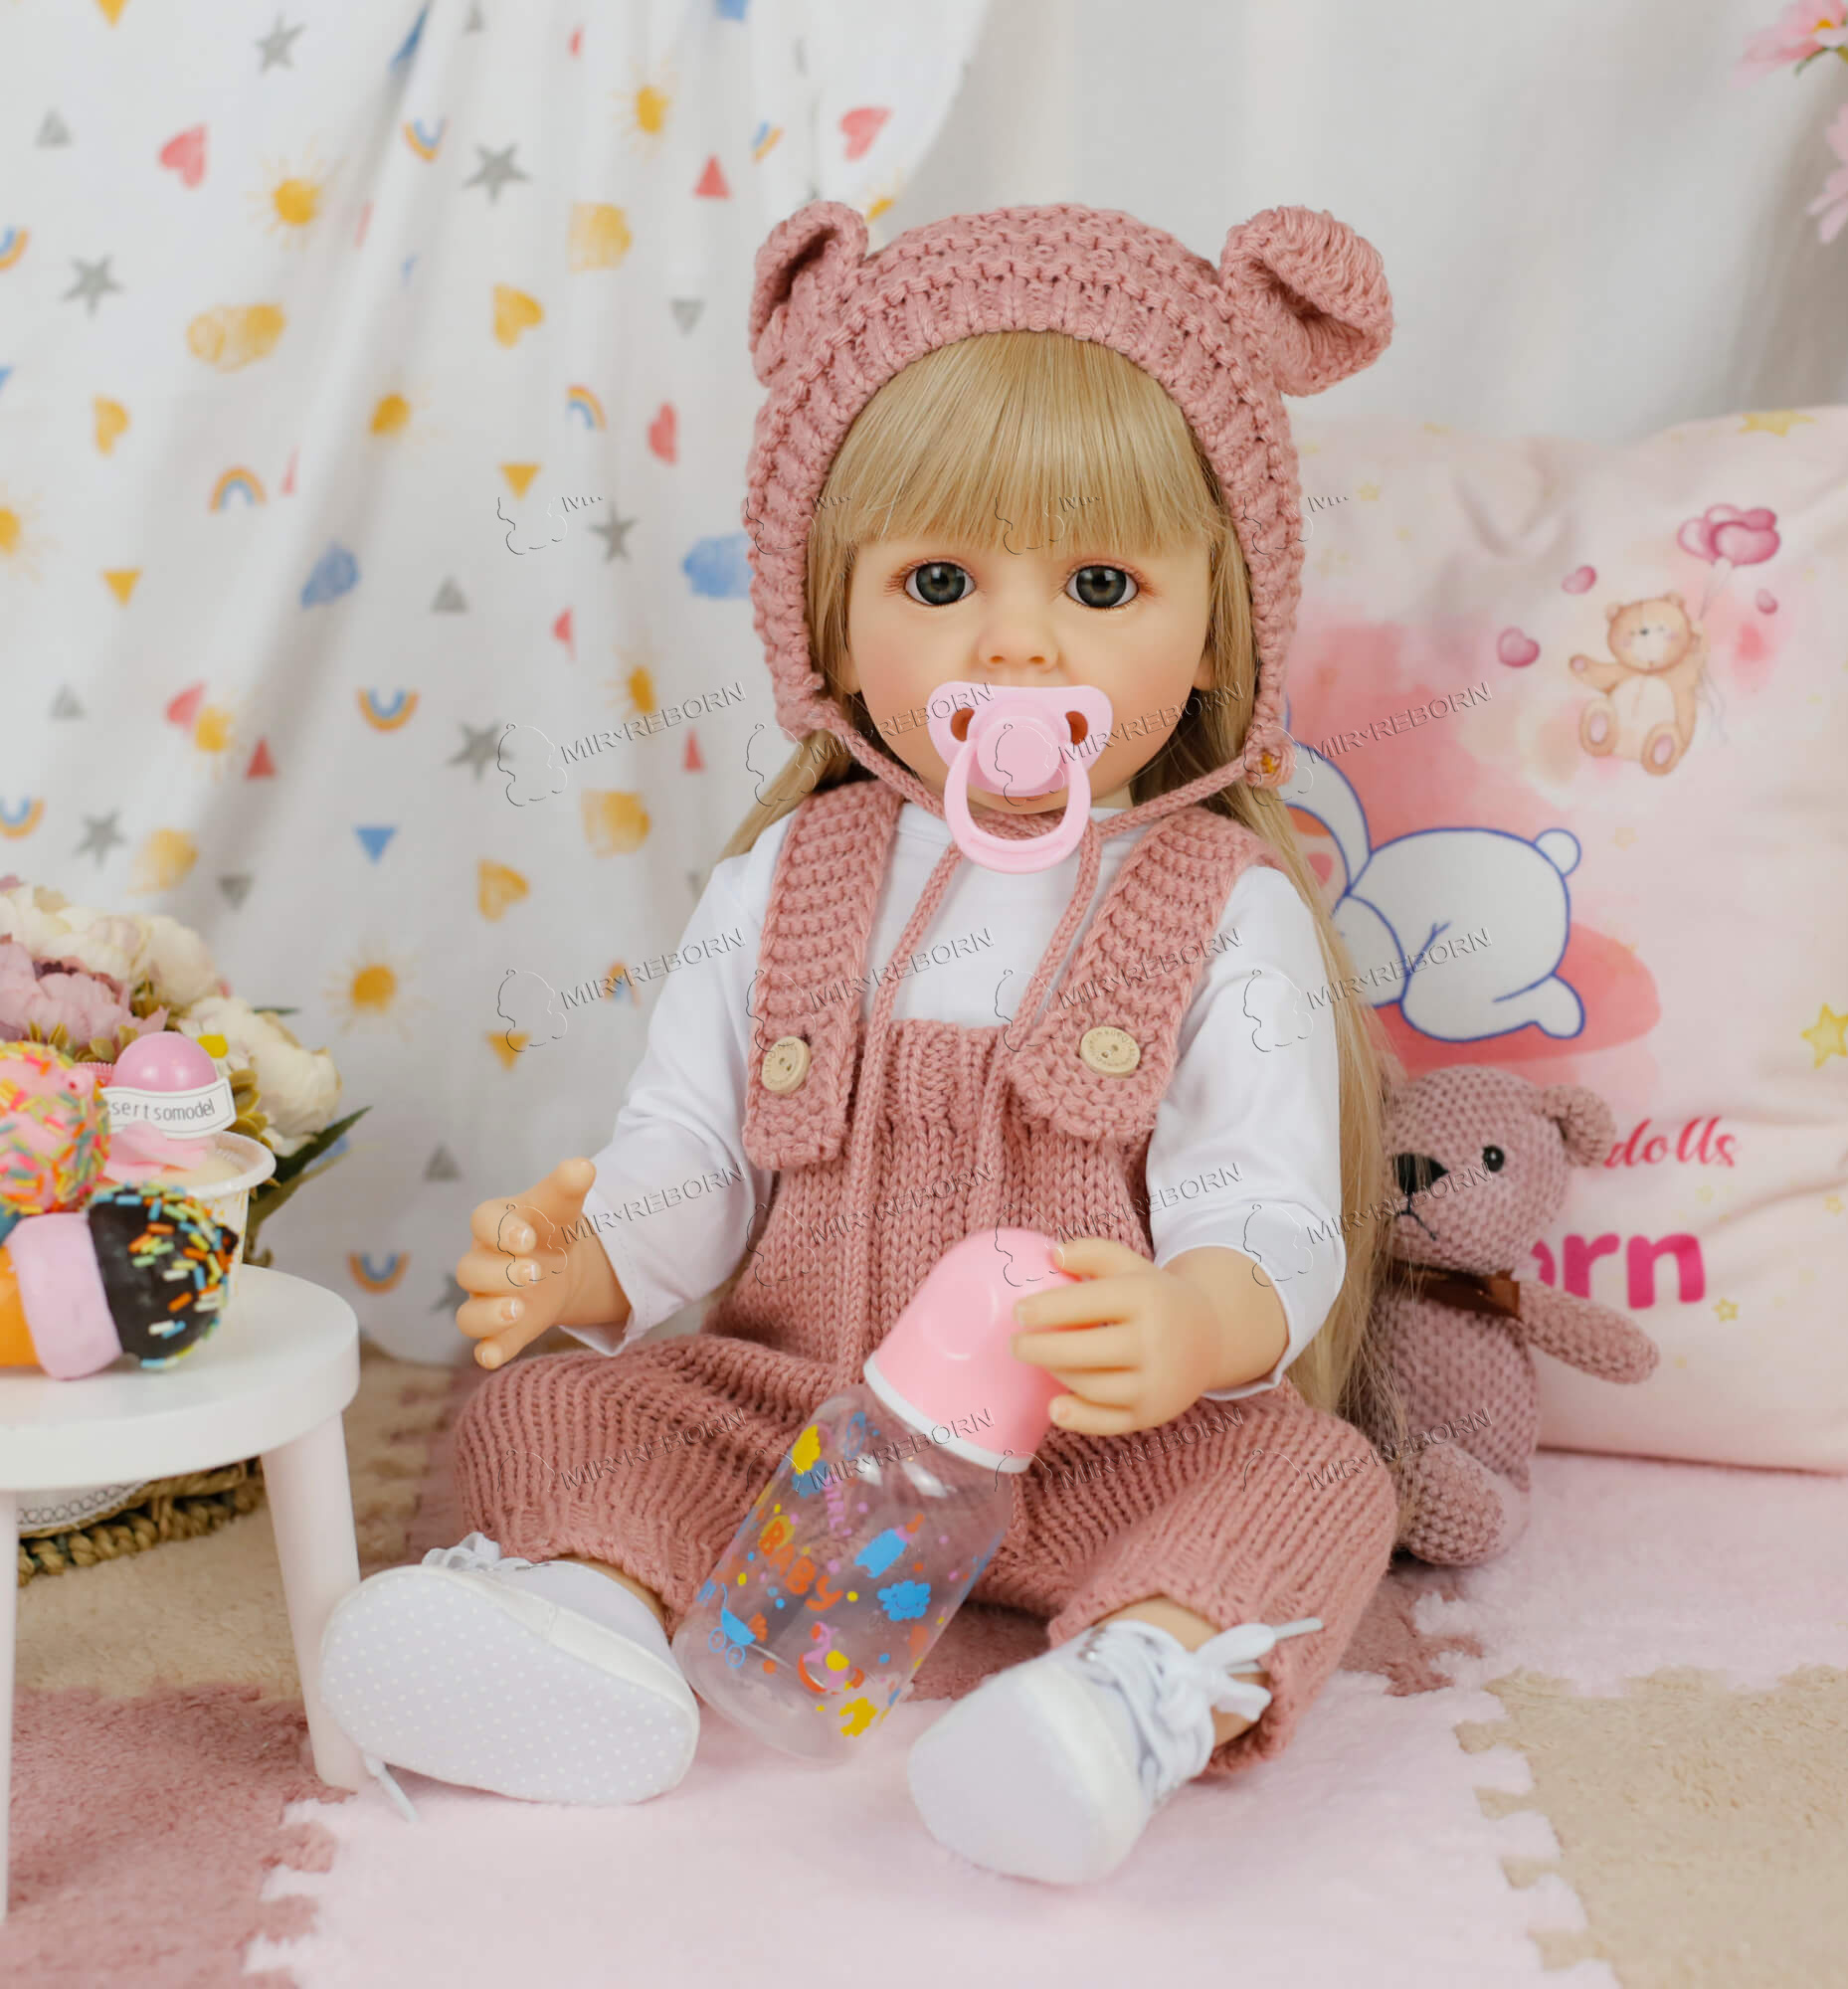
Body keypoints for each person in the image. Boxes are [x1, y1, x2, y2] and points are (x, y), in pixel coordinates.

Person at [320, 198, 1409, 1886]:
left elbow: (1267, 1204)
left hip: (1101, 1451)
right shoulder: (787, 879)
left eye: (1101, 585)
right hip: (790, 1431)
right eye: (940, 582)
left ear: (1218, 627)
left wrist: (1197, 1321)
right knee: (551, 1411)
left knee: (1315, 1481)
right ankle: (587, 1631)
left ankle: (1120, 1699)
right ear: (827, 619)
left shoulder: (1224, 904)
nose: (1019, 644)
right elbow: (689, 1154)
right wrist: (593, 1260)